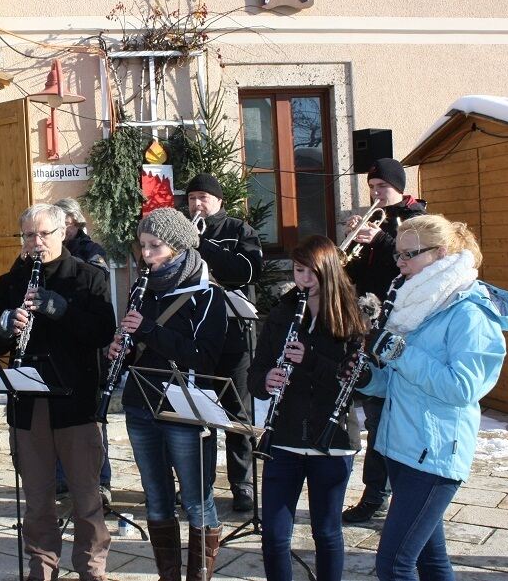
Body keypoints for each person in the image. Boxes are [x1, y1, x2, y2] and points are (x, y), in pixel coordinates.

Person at [357, 215, 508, 581]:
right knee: (431, 561)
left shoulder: (470, 313)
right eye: (397, 256)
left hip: (435, 454)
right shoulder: (417, 304)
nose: (400, 264)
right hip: (403, 445)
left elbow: (463, 388)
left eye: (409, 255)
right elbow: (401, 382)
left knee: (393, 565)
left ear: (441, 254)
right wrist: (367, 376)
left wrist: (397, 352)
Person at [0, 203, 116, 581]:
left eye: (44, 234)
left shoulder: (88, 277)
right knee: (38, 496)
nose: (36, 242)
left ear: (63, 232)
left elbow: (103, 332)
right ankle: (42, 566)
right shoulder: (12, 281)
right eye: (29, 235)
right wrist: (8, 324)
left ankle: (92, 567)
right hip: (28, 403)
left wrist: (61, 309)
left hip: (75, 401)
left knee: (86, 495)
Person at [110, 207, 228, 581]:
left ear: (177, 247)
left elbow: (203, 356)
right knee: (155, 495)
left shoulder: (207, 295)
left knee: (196, 498)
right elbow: (139, 345)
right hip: (141, 402)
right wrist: (121, 349)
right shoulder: (141, 289)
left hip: (185, 407)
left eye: (154, 246)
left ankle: (199, 576)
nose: (146, 254)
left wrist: (147, 329)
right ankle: (168, 576)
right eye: (143, 246)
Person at [248, 235, 368, 581]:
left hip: (331, 440)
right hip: (284, 436)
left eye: (311, 272)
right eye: (299, 271)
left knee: (326, 532)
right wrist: (266, 379)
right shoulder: (284, 312)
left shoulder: (351, 313)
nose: (303, 279)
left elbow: (355, 381)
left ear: (328, 271)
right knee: (273, 534)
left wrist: (310, 359)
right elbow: (256, 373)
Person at [342, 158, 426, 524]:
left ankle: (386, 492)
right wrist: (348, 256)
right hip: (369, 325)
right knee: (375, 415)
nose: (375, 194)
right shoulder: (372, 222)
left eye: (381, 187)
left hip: (403, 328)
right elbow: (362, 273)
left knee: (391, 417)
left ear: (399, 186)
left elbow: (417, 263)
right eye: (372, 187)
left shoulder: (417, 218)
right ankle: (378, 491)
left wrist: (381, 239)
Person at [185, 173, 264, 513]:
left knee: (237, 414)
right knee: (198, 415)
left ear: (218, 200)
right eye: (191, 198)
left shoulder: (239, 230)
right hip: (195, 337)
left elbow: (247, 272)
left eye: (203, 197)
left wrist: (203, 245)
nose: (196, 204)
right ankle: (196, 484)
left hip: (235, 336)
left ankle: (242, 485)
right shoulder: (182, 233)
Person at [53, 197, 112, 504]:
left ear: (73, 223)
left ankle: (102, 481)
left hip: (88, 349)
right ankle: (61, 478)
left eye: (60, 223)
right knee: (58, 416)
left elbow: (98, 281)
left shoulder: (92, 251)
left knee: (93, 420)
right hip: (59, 349)